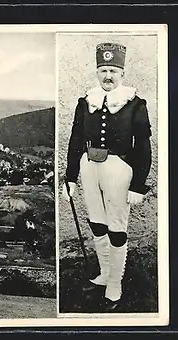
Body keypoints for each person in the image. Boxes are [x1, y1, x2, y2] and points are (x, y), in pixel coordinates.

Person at [62, 42, 152, 311]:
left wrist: (138, 184)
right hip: (89, 165)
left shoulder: (135, 104)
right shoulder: (85, 102)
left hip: (119, 168)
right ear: (97, 72)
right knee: (97, 223)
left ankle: (115, 283)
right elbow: (76, 139)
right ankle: (104, 273)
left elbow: (143, 146)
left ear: (122, 73)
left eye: (113, 70)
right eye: (103, 70)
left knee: (116, 227)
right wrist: (70, 176)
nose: (108, 76)